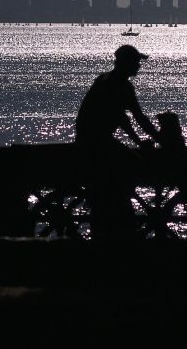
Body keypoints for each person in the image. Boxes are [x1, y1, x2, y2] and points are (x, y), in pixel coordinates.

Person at [76, 44, 160, 239]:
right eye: (136, 62)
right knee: (134, 163)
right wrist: (157, 139)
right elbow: (137, 118)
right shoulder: (119, 86)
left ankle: (117, 206)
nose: (139, 66)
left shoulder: (106, 81)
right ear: (126, 63)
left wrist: (139, 141)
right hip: (96, 142)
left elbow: (125, 120)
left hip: (91, 139)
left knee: (123, 167)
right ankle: (121, 206)